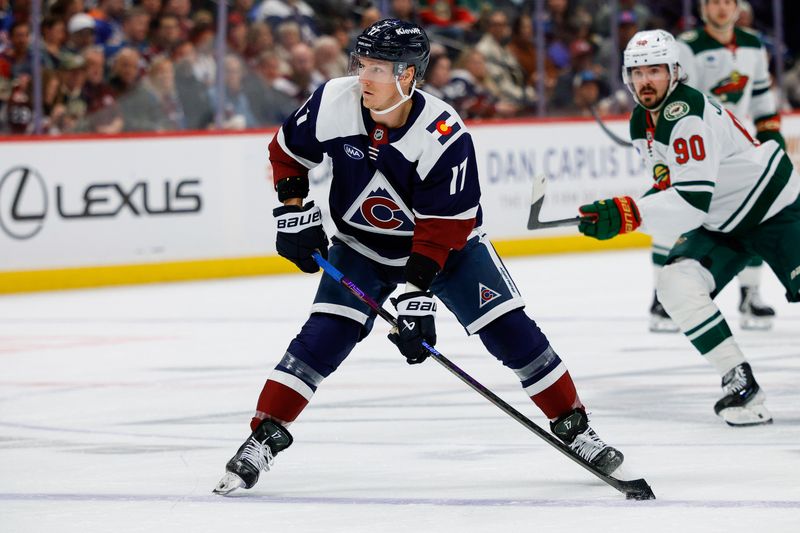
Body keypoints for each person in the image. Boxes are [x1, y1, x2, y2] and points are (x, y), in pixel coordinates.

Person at [213, 19, 626, 495]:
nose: (363, 76)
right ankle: (263, 436)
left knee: (511, 332)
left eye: (378, 68)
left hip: (449, 250)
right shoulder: (334, 101)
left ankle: (575, 427)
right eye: (361, 64)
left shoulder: (443, 133)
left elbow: (441, 231)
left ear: (407, 75)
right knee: (323, 336)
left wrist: (415, 298)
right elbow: (288, 152)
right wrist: (293, 212)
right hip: (362, 245)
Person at [576, 29, 799, 426]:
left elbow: (692, 202)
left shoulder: (686, 114)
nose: (645, 81)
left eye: (655, 71)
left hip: (774, 208)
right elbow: (671, 187)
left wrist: (629, 213)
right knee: (676, 284)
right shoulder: (641, 122)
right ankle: (740, 382)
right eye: (638, 73)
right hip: (722, 222)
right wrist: (623, 212)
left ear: (674, 72)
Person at [643, 0, 785, 332]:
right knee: (673, 214)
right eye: (714, 1)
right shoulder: (687, 47)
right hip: (693, 147)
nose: (721, 8)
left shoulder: (752, 44)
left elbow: (762, 100)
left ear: (737, 7)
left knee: (755, 215)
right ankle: (662, 299)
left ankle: (751, 295)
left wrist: (771, 140)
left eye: (727, 1)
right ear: (703, 8)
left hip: (736, 148)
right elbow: (677, 99)